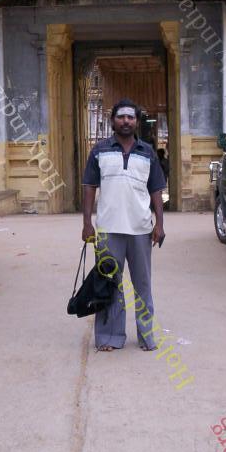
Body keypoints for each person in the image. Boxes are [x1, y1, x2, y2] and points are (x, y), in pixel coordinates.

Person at [82, 98, 166, 352]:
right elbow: (89, 187)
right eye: (121, 117)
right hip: (108, 229)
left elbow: (156, 190)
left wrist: (159, 224)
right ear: (113, 121)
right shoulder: (99, 151)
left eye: (131, 117)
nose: (126, 121)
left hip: (140, 229)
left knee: (142, 285)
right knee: (109, 283)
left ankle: (147, 337)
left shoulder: (148, 152)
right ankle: (110, 336)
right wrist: (87, 223)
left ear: (137, 122)